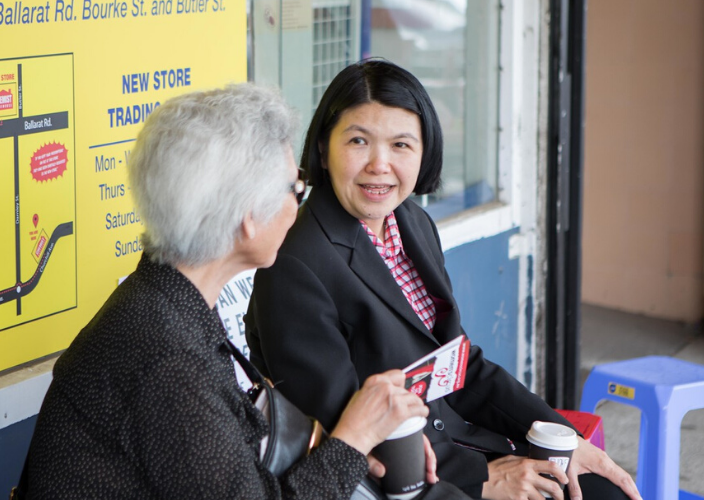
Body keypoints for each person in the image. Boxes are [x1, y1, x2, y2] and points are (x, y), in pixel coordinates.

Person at [22, 83, 454, 499]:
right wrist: (355, 437)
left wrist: (370, 432)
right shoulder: (166, 360)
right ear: (249, 216)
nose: (298, 201)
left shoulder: (165, 299)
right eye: (294, 188)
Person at [244, 60, 643, 500]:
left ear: (424, 151)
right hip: (395, 477)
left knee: (604, 490)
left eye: (401, 144)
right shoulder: (295, 262)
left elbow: (459, 364)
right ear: (323, 149)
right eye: (358, 141)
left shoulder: (412, 223)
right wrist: (484, 480)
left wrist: (564, 438)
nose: (380, 165)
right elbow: (344, 425)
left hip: (458, 443)